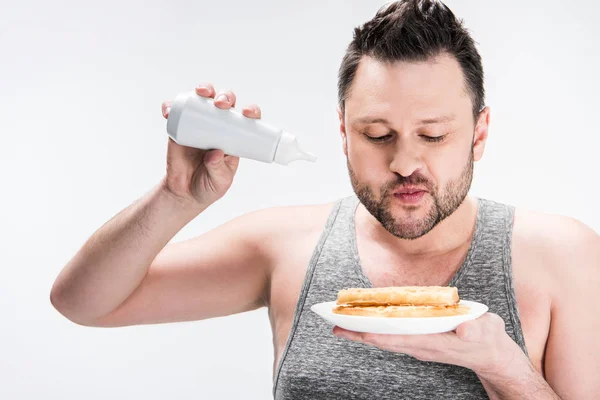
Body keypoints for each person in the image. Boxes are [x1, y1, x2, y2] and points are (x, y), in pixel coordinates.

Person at [50, 1, 599, 399]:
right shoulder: (287, 246)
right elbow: (82, 302)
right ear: (343, 132)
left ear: (479, 133)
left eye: (433, 135)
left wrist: (507, 371)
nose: (405, 162)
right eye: (378, 134)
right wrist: (176, 198)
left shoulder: (562, 256)